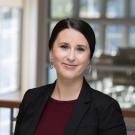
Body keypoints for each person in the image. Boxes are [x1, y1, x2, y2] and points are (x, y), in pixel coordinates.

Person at [14, 18, 127, 135]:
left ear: (89, 58)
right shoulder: (31, 98)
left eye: (80, 49)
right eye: (64, 47)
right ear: (51, 53)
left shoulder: (106, 108)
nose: (71, 57)